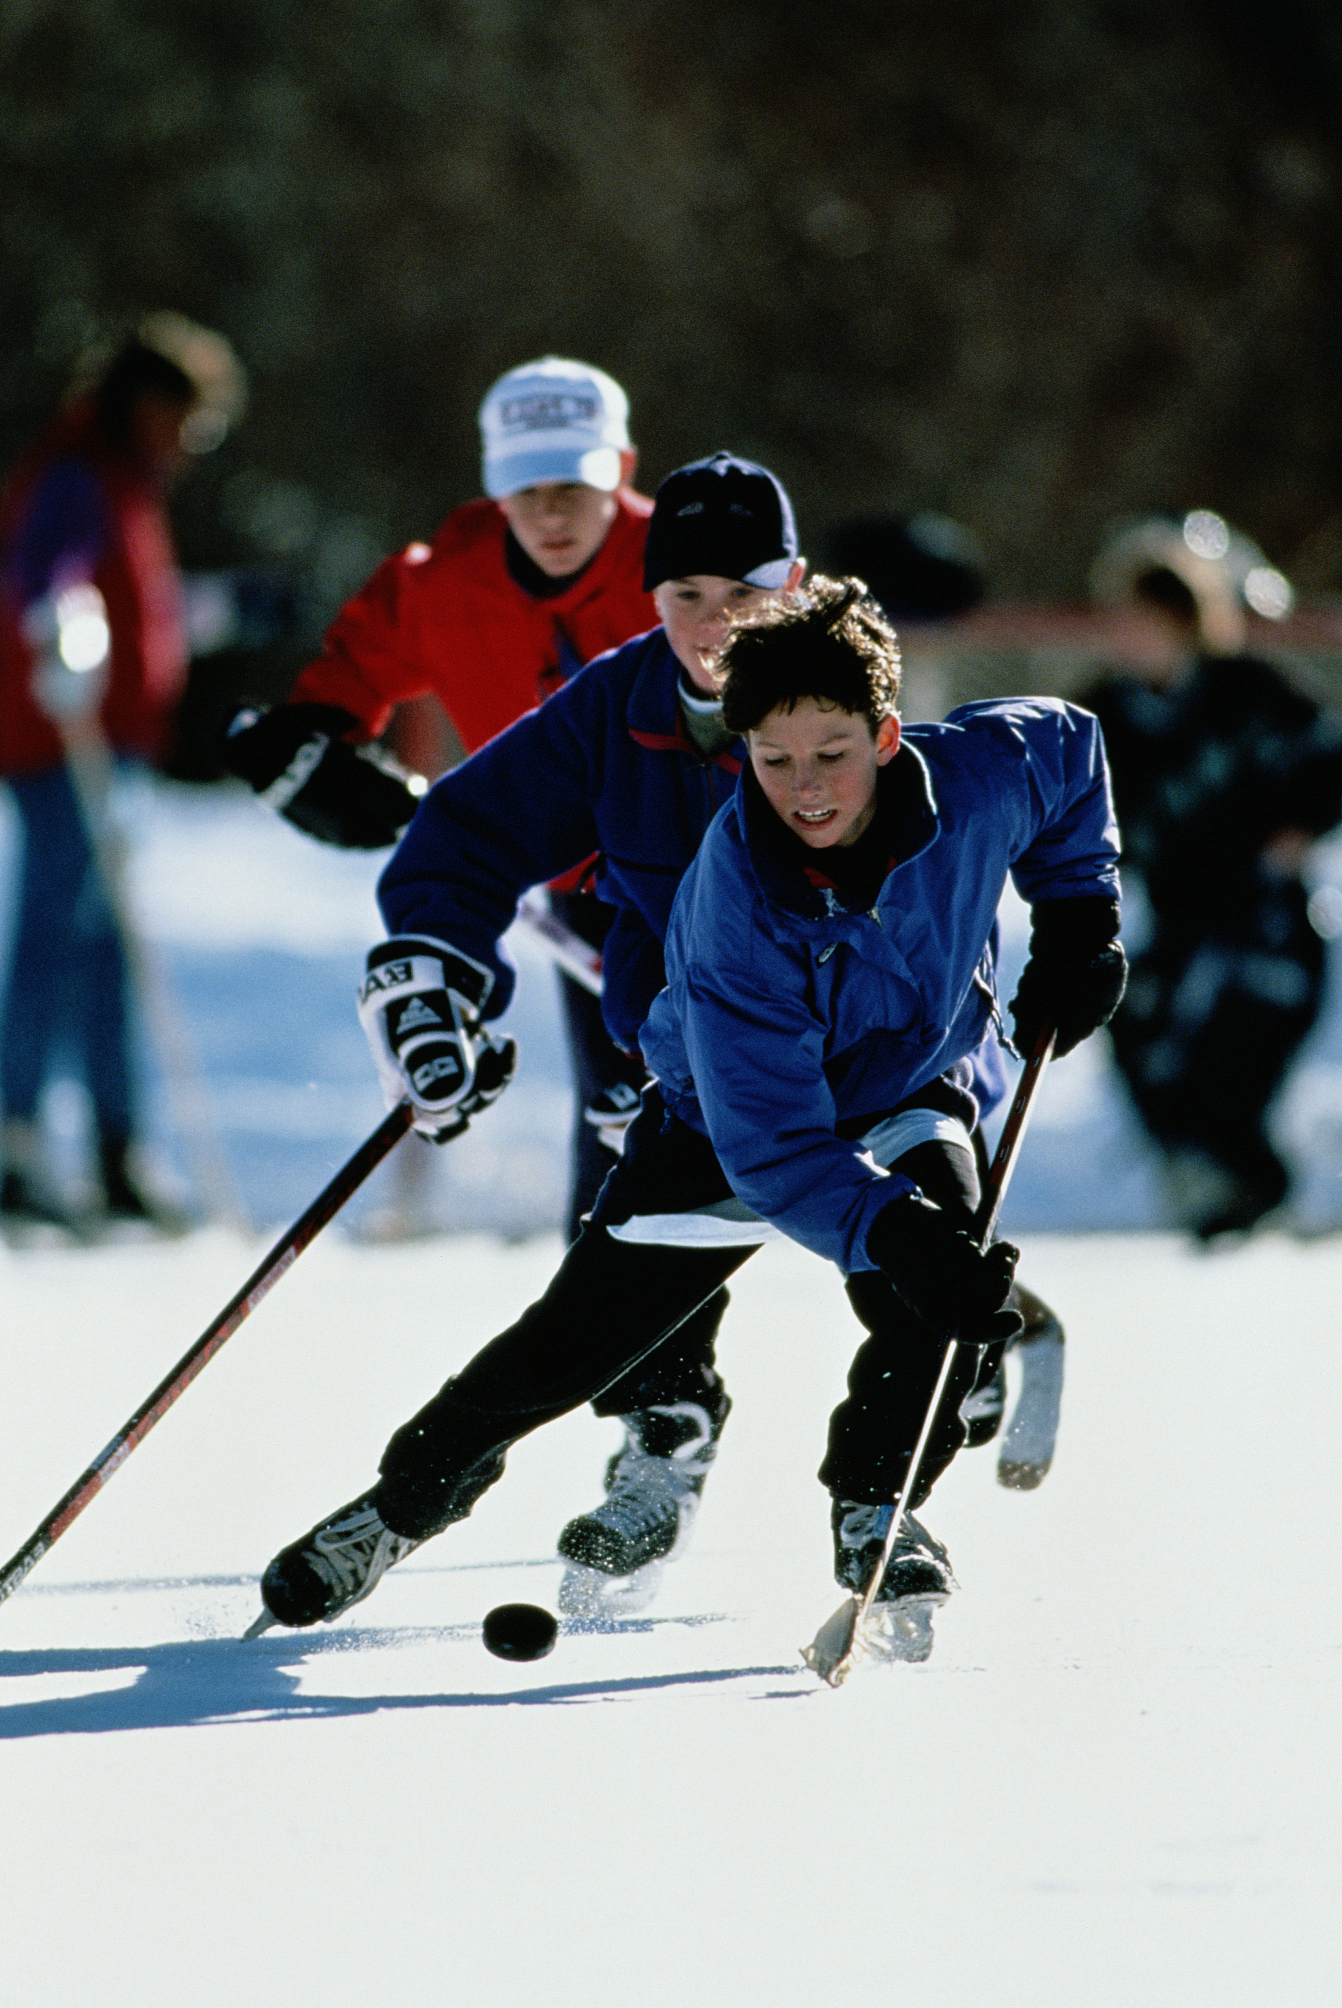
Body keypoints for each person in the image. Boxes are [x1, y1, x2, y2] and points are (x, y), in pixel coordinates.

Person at [251, 558, 1123, 1656]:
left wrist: (1081, 917)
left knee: (940, 1287)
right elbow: (772, 1146)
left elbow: (1072, 749)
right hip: (722, 1121)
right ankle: (396, 1506)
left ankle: (879, 1508)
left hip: (904, 1082)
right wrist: (887, 1228)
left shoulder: (986, 772)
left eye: (832, 755)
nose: (806, 787)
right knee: (571, 1345)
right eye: (773, 760)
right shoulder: (733, 906)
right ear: (741, 752)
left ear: (888, 736)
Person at [223, 356, 660, 1237]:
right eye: (523, 485)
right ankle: (651, 1366)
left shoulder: (684, 566)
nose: (548, 512)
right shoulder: (445, 583)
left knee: (789, 1107)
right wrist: (312, 745)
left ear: (619, 468)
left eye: (572, 483)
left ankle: (926, 1272)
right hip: (579, 888)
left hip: (704, 872)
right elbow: (351, 672)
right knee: (624, 1112)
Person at [0, 313, 245, 1229]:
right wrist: (57, 621)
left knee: (108, 947)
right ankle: (16, 1141)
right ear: (144, 404)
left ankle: (114, 1149)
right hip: (66, 741)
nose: (187, 443)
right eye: (184, 421)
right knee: (55, 937)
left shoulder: (125, 481)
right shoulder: (79, 471)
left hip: (114, 745)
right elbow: (41, 570)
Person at [1085, 513, 1342, 1242]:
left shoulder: (1250, 694)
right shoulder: (1107, 713)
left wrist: (1298, 830)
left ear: (1182, 619)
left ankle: (1255, 1187)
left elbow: (1327, 766)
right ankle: (1216, 1190)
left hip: (1267, 922)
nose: (1127, 635)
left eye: (1142, 619)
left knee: (1240, 1051)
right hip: (1175, 922)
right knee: (1141, 1037)